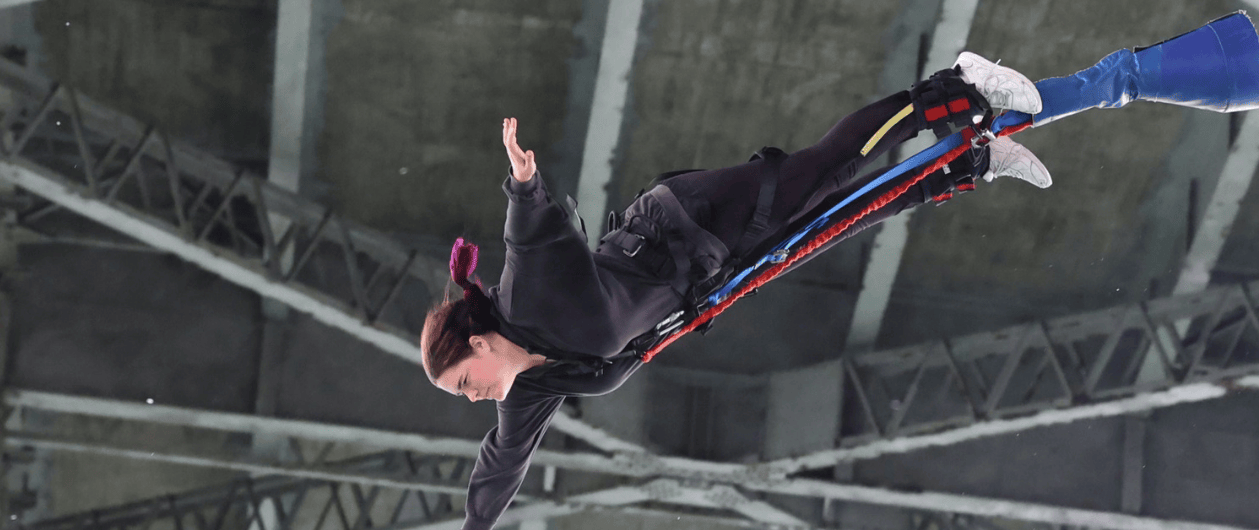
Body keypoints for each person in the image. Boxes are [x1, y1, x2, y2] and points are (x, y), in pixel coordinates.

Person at [421, 52, 1052, 530]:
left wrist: (523, 183)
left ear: (478, 343)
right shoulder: (531, 388)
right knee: (840, 221)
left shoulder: (525, 299)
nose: (474, 398)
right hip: (713, 277)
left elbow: (528, 236)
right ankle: (973, 161)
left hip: (687, 220)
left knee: (829, 168)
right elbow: (500, 466)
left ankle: (959, 86)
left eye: (464, 382)